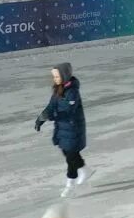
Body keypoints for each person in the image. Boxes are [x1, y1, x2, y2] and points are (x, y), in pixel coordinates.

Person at [34, 63, 91, 198]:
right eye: (53, 76)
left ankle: (70, 185)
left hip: (73, 128)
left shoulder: (72, 92)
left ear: (64, 75)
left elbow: (68, 111)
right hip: (62, 128)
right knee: (68, 153)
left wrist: (51, 116)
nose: (55, 79)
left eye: (57, 76)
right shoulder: (58, 89)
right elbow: (51, 106)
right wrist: (41, 118)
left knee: (71, 158)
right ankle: (85, 170)